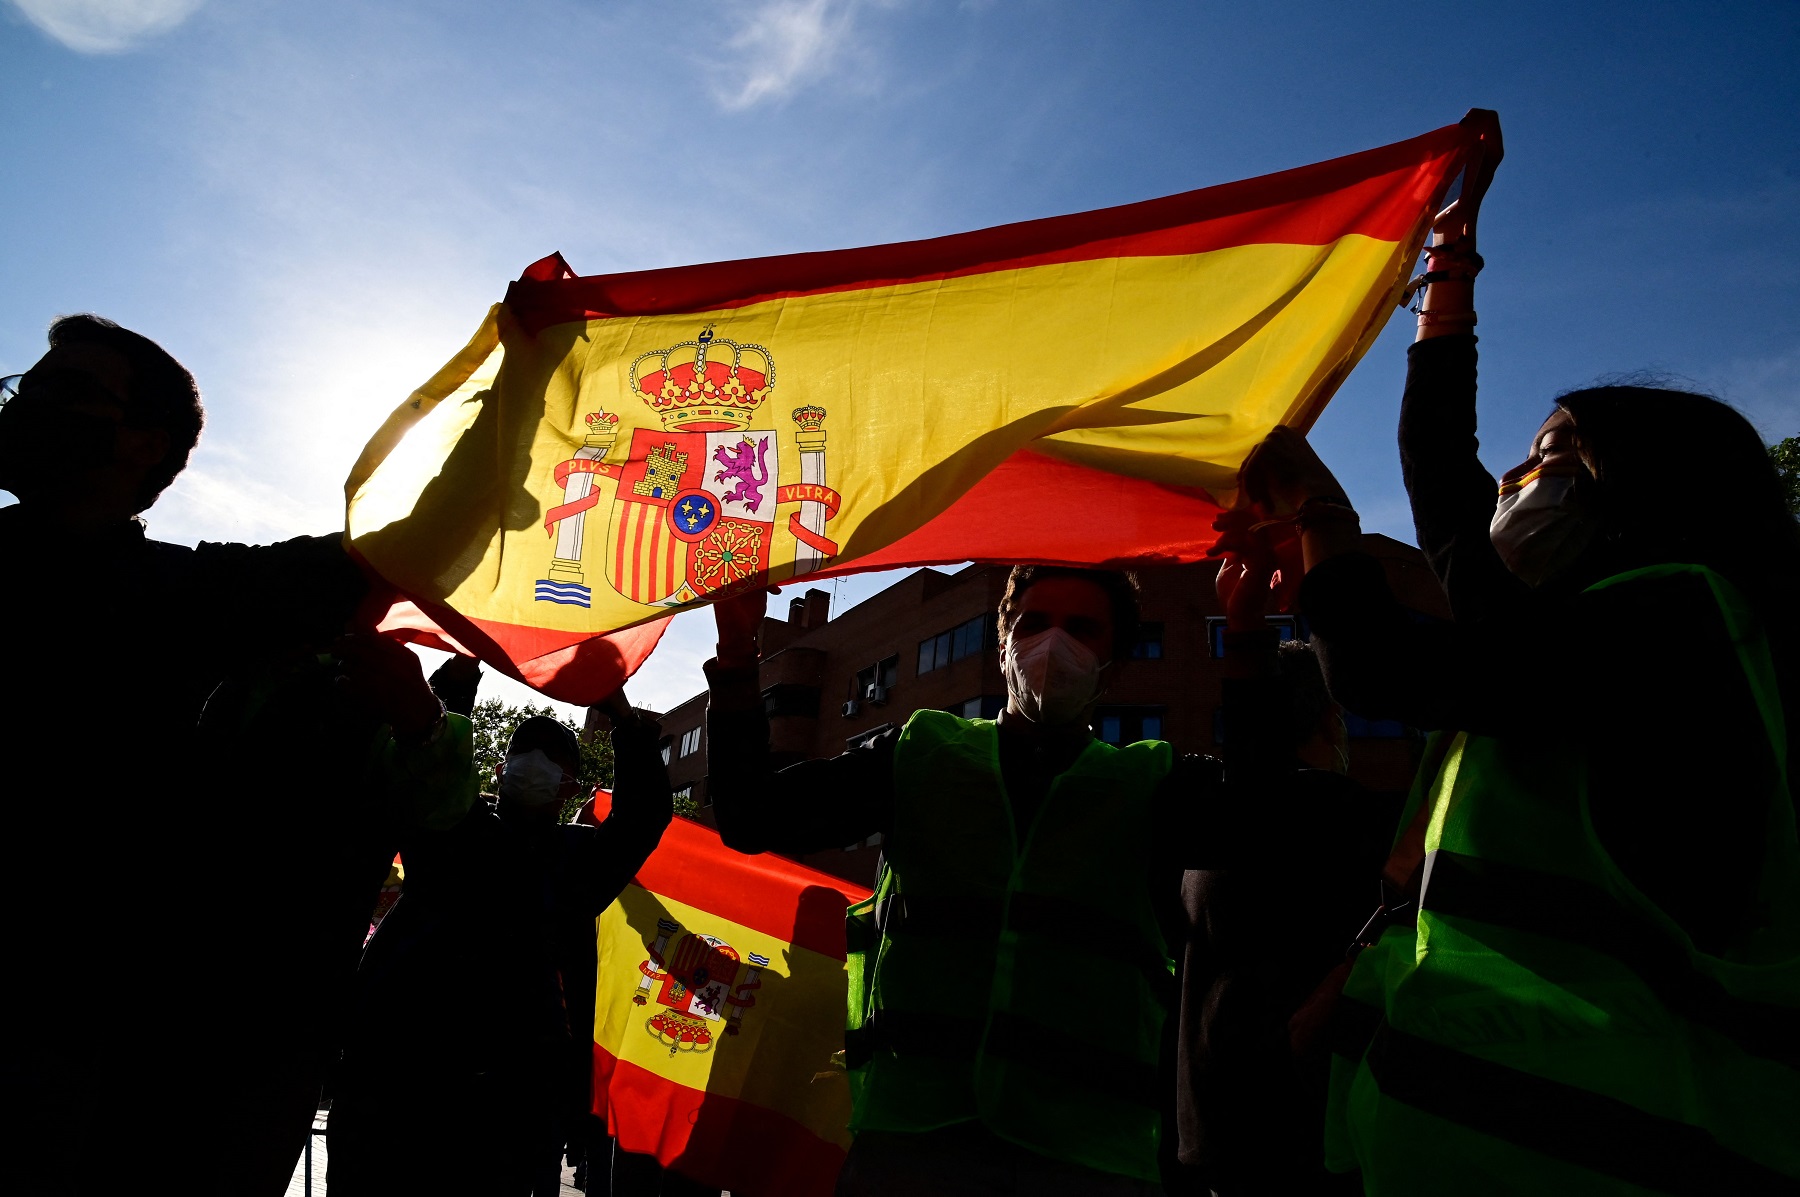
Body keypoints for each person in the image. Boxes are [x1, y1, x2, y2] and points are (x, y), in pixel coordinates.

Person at [1237, 196, 1800, 1193]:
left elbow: (1379, 669)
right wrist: (1445, 287)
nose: (1512, 478)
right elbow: (1448, 488)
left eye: (1551, 457)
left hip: (1617, 1153)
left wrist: (1322, 516)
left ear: (1640, 493)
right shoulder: (1586, 649)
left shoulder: (1681, 625)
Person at [706, 567, 1275, 1196]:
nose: (1053, 644)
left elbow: (1258, 823)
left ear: (1113, 662)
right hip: (912, 1140)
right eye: (1034, 623)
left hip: (1088, 1152)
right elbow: (751, 814)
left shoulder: (1155, 784)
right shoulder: (920, 752)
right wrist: (735, 655)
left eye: (1081, 629)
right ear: (1003, 642)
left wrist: (1247, 631)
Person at [0, 315, 373, 1192]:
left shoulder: (179, 600)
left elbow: (376, 555)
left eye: (70, 393)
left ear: (146, 445)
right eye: (31, 386)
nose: (31, 406)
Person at [328, 693, 674, 1197]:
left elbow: (643, 816)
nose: (535, 766)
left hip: (502, 1106)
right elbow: (426, 757)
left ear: (568, 788)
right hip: (389, 1081)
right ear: (497, 769)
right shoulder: (448, 824)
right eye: (525, 751)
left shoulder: (574, 862)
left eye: (552, 760)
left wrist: (622, 717)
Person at [1172, 521, 1402, 1196]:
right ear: (1328, 719)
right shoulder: (1332, 811)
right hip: (1305, 1139)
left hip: (1214, 1139)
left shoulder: (1206, 839)